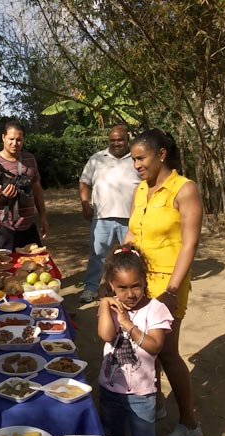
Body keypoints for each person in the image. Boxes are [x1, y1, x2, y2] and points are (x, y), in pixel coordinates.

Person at [124, 128, 203, 436]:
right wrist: (120, 256)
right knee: (145, 351)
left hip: (170, 281)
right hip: (141, 280)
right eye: (133, 160)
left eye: (141, 158)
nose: (136, 165)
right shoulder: (141, 190)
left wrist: (171, 290)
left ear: (161, 154)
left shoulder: (184, 190)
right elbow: (132, 233)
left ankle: (189, 422)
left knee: (167, 352)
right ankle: (154, 404)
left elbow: (190, 244)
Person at [97, 244, 172, 436]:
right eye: (122, 288)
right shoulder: (109, 307)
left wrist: (128, 324)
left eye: (135, 286)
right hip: (110, 390)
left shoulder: (156, 309)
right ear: (111, 286)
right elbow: (107, 336)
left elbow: (155, 346)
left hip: (142, 394)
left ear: (144, 281)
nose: (130, 294)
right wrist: (103, 305)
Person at [79, 124, 140, 304]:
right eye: (112, 140)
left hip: (131, 219)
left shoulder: (136, 159)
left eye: (120, 140)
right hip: (102, 218)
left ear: (127, 140)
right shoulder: (97, 159)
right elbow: (84, 182)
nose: (116, 143)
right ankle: (91, 289)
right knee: (97, 255)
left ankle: (132, 292)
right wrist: (85, 204)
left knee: (131, 256)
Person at [0, 120, 48, 250]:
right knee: (5, 269)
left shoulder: (29, 159)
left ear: (23, 139)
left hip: (28, 227)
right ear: (3, 137)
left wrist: (43, 216)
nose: (14, 143)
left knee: (34, 266)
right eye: (11, 139)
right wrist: (0, 196)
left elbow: (37, 190)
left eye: (19, 139)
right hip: (4, 228)